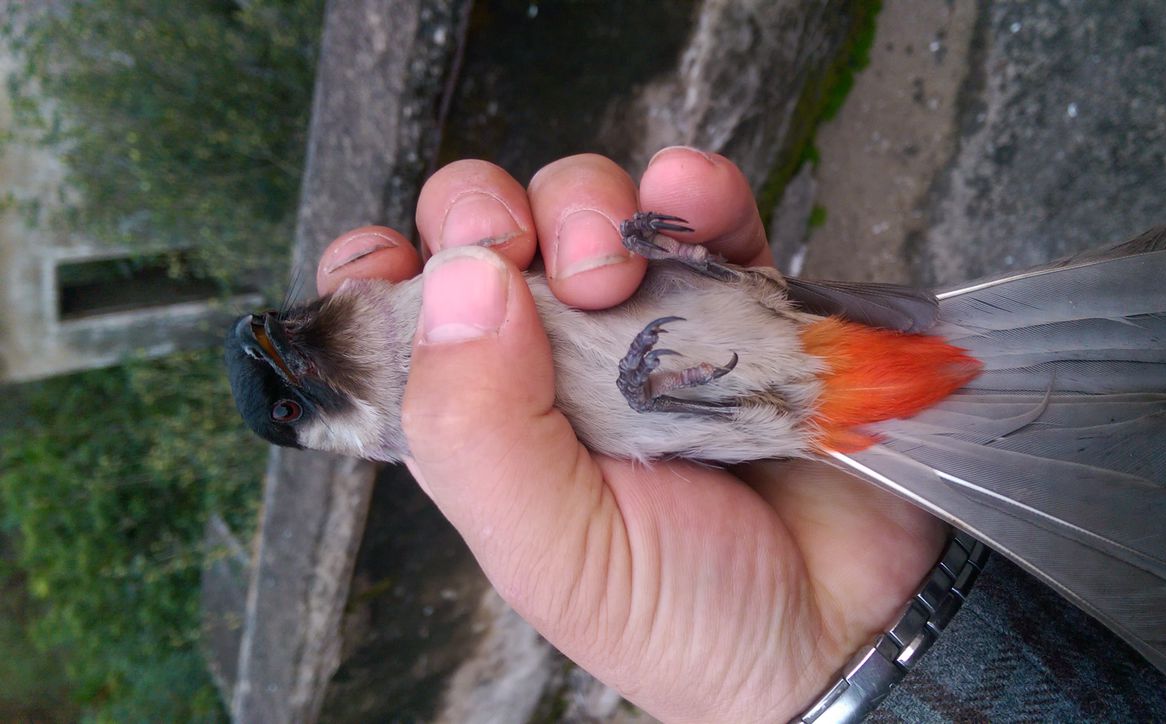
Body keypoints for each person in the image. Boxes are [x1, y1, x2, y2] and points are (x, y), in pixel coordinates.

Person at [315, 148, 947, 723]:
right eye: (294, 408)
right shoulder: (452, 435)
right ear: (352, 437)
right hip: (803, 434)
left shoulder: (430, 315)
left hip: (816, 359)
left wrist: (667, 252)